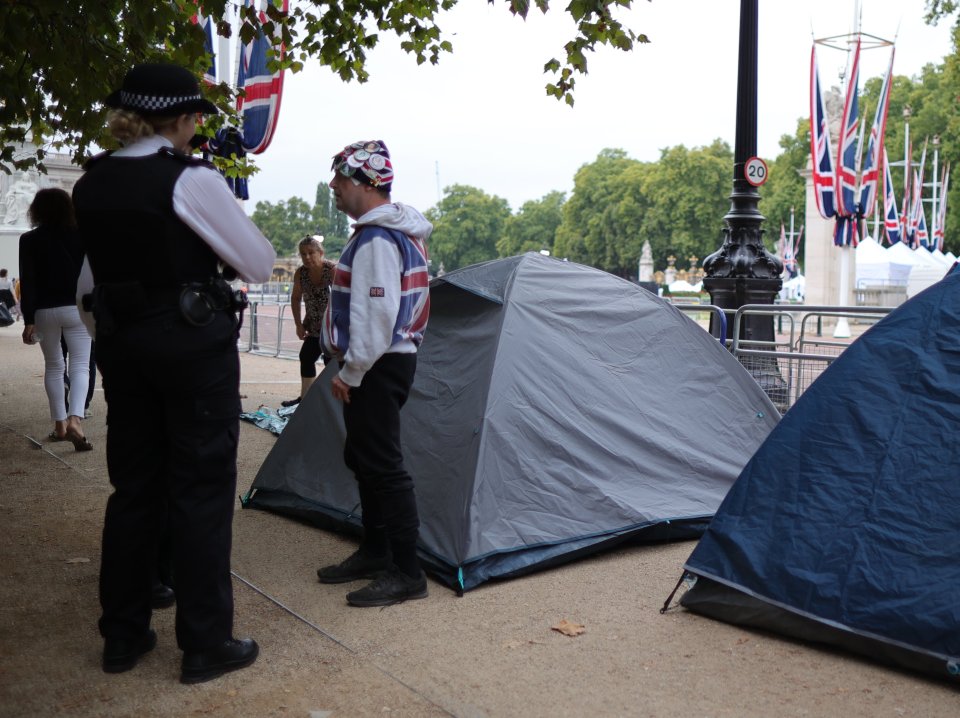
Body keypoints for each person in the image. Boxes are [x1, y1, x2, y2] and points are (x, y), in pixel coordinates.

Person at [71, 63, 275, 683]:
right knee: (201, 491)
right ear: (184, 119)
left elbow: (88, 287)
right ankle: (205, 642)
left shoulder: (93, 182)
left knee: (134, 489)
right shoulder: (190, 178)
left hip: (124, 345)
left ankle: (123, 635)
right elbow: (260, 262)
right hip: (190, 348)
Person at [315, 140, 433, 607]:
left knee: (383, 466)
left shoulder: (377, 240)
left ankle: (407, 571)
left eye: (341, 180)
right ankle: (376, 549)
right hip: (385, 363)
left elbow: (377, 316)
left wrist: (352, 370)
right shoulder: (389, 233)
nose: (334, 187)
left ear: (364, 184)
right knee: (365, 457)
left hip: (377, 365)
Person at [17, 190, 93, 450]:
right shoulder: (83, 235)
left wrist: (28, 319)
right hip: (77, 308)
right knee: (81, 365)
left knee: (54, 366)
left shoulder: (29, 239)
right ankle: (76, 420)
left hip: (45, 310)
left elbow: (28, 281)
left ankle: (59, 426)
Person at [283, 234, 336, 407]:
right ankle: (305, 399)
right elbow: (295, 298)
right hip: (313, 325)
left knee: (331, 364)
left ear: (321, 253)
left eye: (311, 253)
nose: (307, 257)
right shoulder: (301, 273)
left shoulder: (332, 270)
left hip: (332, 327)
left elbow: (345, 299)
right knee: (306, 357)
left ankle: (330, 403)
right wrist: (299, 324)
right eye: (303, 253)